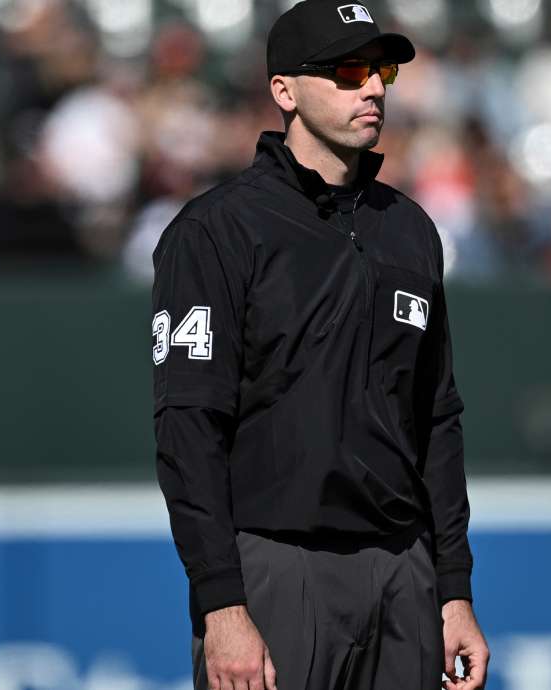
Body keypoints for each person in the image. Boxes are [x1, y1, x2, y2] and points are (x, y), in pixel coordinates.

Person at [150, 2, 489, 690]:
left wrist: (452, 587)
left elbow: (437, 420)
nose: (372, 88)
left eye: (381, 70)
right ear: (285, 91)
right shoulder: (218, 230)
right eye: (347, 71)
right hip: (277, 570)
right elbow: (188, 427)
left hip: (402, 572)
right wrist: (223, 605)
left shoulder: (410, 230)